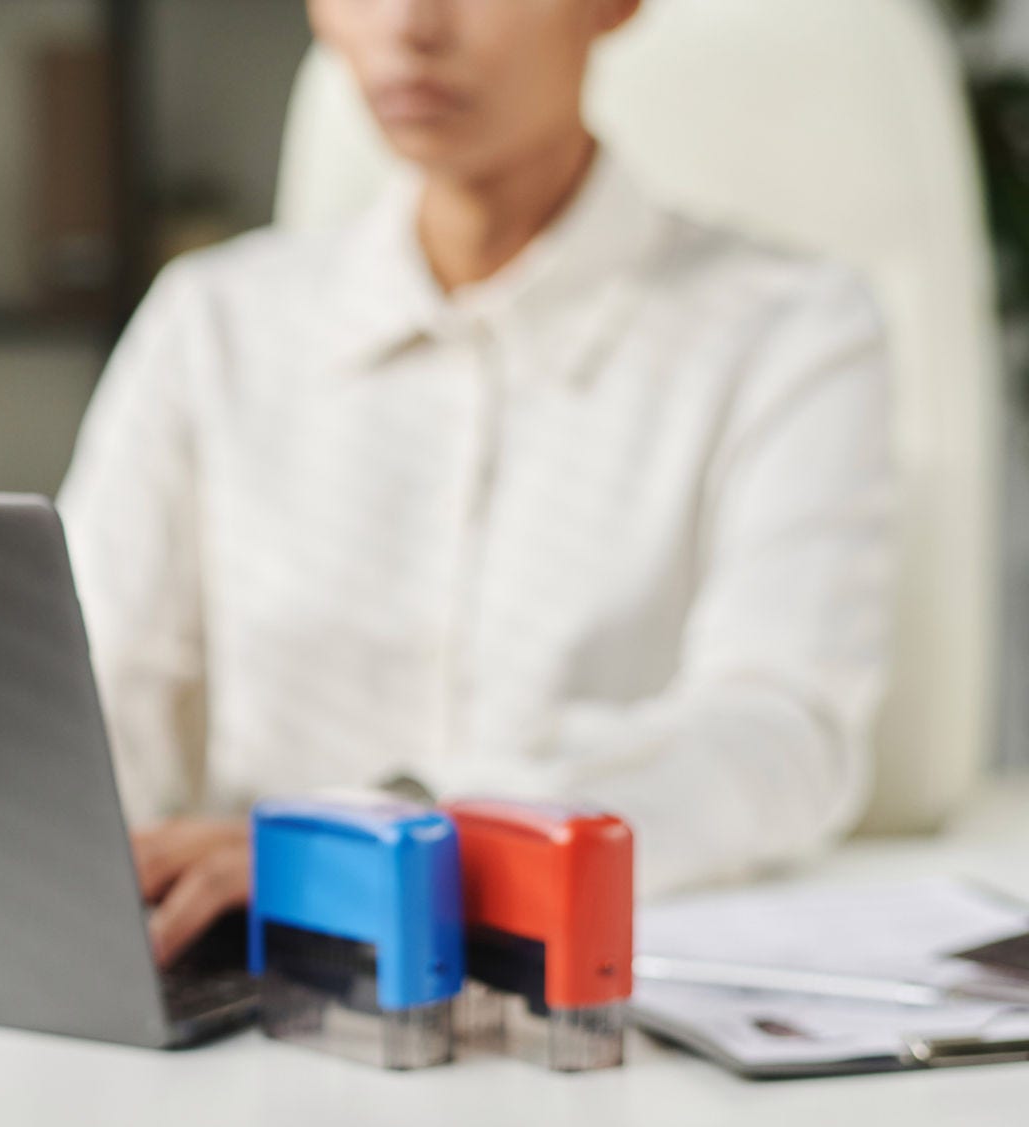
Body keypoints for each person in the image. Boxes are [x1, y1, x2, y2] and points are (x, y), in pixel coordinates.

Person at [58, 0, 895, 967]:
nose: (410, 23)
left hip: (594, 1001)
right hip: (256, 984)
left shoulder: (786, 330)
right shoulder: (210, 326)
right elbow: (92, 704)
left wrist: (407, 836)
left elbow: (783, 739)